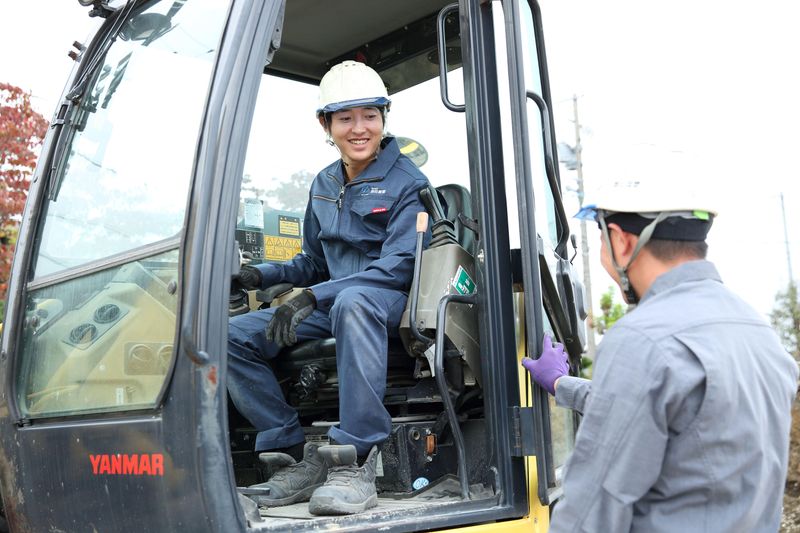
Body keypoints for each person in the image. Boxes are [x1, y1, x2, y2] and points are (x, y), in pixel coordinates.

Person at [522, 178, 799, 532]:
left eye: (601, 241)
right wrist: (562, 383)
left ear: (621, 241)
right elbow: (673, 416)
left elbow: (588, 514)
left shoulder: (641, 339)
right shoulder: (761, 335)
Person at [227, 60, 431, 516]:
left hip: (386, 302)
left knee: (353, 301)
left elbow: (397, 267)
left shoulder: (408, 184)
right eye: (346, 118)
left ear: (383, 118)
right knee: (232, 336)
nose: (360, 128)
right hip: (333, 301)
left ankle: (355, 459)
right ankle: (293, 455)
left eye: (370, 116)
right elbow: (314, 262)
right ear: (326, 125)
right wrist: (262, 275)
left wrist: (313, 296)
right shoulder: (324, 183)